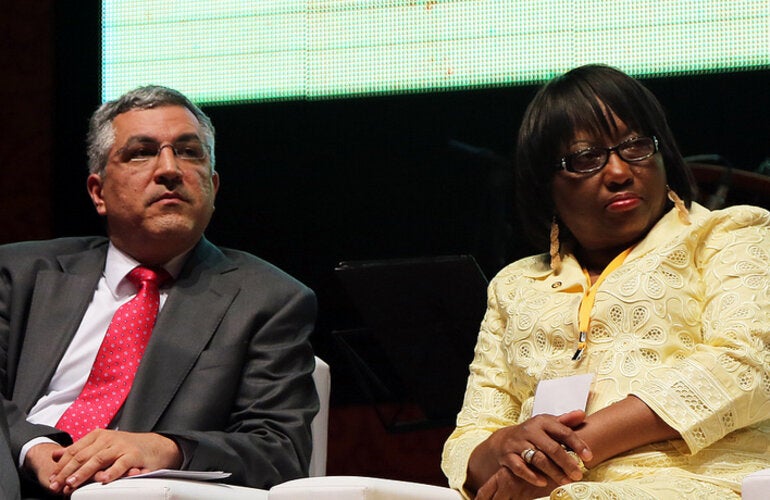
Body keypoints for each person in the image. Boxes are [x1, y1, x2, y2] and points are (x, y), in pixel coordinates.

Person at [441, 64, 770, 499]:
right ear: (545, 186)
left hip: (696, 484)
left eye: (635, 146)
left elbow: (747, 364)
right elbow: (474, 430)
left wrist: (567, 451)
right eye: (585, 158)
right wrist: (499, 449)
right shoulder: (515, 284)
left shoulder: (728, 234)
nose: (618, 171)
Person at [0, 85, 318, 497]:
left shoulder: (267, 299)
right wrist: (33, 446)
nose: (169, 168)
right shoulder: (18, 273)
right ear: (98, 192)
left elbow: (281, 451)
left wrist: (168, 448)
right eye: (141, 152)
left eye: (188, 152)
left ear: (214, 187)